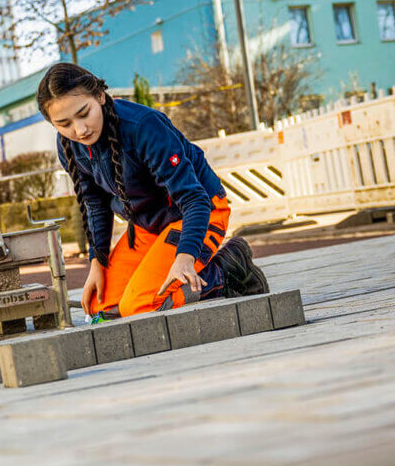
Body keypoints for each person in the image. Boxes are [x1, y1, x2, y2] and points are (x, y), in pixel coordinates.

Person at [37, 62, 269, 320]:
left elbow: (194, 199)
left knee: (140, 306)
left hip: (198, 213)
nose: (79, 130)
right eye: (64, 123)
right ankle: (177, 269)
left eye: (84, 113)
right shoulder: (69, 145)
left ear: (100, 97)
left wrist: (185, 257)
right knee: (100, 305)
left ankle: (226, 271)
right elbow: (95, 204)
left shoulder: (144, 126)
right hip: (149, 227)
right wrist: (97, 262)